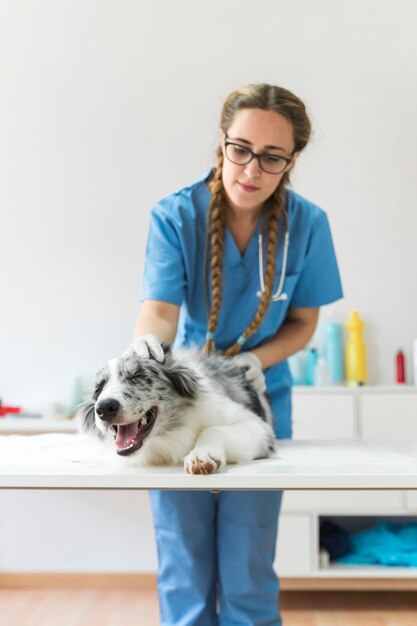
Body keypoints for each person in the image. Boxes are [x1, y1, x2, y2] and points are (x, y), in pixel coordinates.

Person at [132, 83, 343, 626]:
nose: (250, 170)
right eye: (240, 149)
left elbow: (303, 325)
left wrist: (255, 362)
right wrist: (146, 351)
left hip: (258, 402)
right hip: (184, 402)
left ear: (292, 160)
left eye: (271, 158)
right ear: (222, 142)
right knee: (183, 559)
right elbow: (159, 312)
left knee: (249, 564)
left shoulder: (309, 225)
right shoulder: (174, 216)